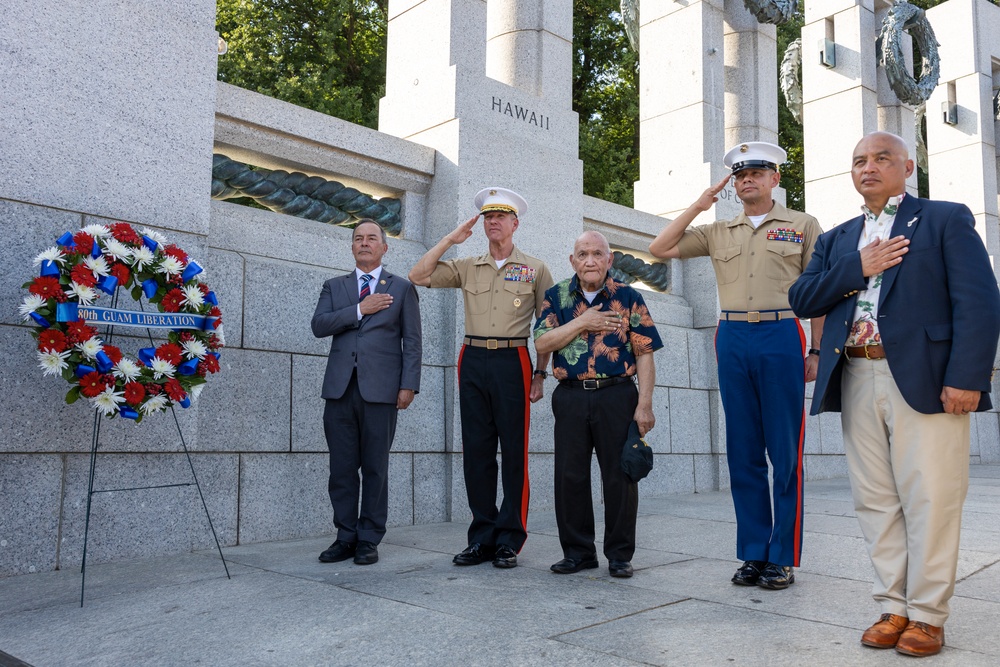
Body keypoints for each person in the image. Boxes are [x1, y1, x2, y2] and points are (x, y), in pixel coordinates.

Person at [789, 131, 1000, 656]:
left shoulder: (945, 219)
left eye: (882, 157)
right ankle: (893, 606)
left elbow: (979, 303)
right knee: (875, 499)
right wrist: (857, 268)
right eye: (859, 159)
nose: (869, 167)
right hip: (856, 375)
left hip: (927, 379)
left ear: (908, 165)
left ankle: (928, 616)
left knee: (931, 496)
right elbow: (801, 297)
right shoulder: (838, 238)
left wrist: (968, 377)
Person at [648, 142, 824, 590]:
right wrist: (699, 204)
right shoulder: (717, 230)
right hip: (732, 337)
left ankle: (781, 556)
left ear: (774, 179)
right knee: (743, 451)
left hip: (782, 334)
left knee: (785, 452)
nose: (748, 180)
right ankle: (753, 553)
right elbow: (660, 246)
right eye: (741, 174)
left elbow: (821, 293)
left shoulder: (802, 225)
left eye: (758, 172)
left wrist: (818, 350)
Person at [408, 188, 553, 569]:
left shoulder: (535, 269)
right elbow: (418, 274)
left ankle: (509, 539)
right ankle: (482, 537)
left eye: (501, 216)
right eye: (488, 217)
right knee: (476, 453)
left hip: (513, 360)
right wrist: (449, 240)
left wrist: (540, 373)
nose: (493, 222)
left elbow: (547, 326)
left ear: (515, 223)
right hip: (472, 357)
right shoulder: (467, 264)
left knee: (514, 452)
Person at [533, 231, 662, 578]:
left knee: (620, 476)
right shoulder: (556, 296)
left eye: (597, 254)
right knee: (569, 476)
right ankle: (578, 552)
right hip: (571, 395)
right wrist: (583, 322)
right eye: (582, 254)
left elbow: (645, 353)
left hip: (618, 395)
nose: (590, 260)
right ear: (572, 260)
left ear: (609, 259)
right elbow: (543, 341)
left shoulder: (629, 297)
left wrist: (645, 405)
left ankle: (619, 554)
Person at [311, 220, 422, 566]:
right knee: (341, 468)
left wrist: (408, 385)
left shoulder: (402, 288)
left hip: (382, 392)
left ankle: (369, 538)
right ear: (352, 247)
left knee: (376, 467)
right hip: (340, 391)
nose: (364, 243)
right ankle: (345, 536)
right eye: (358, 238)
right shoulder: (335, 286)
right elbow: (319, 326)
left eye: (372, 238)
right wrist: (362, 309)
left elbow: (413, 342)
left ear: (384, 248)